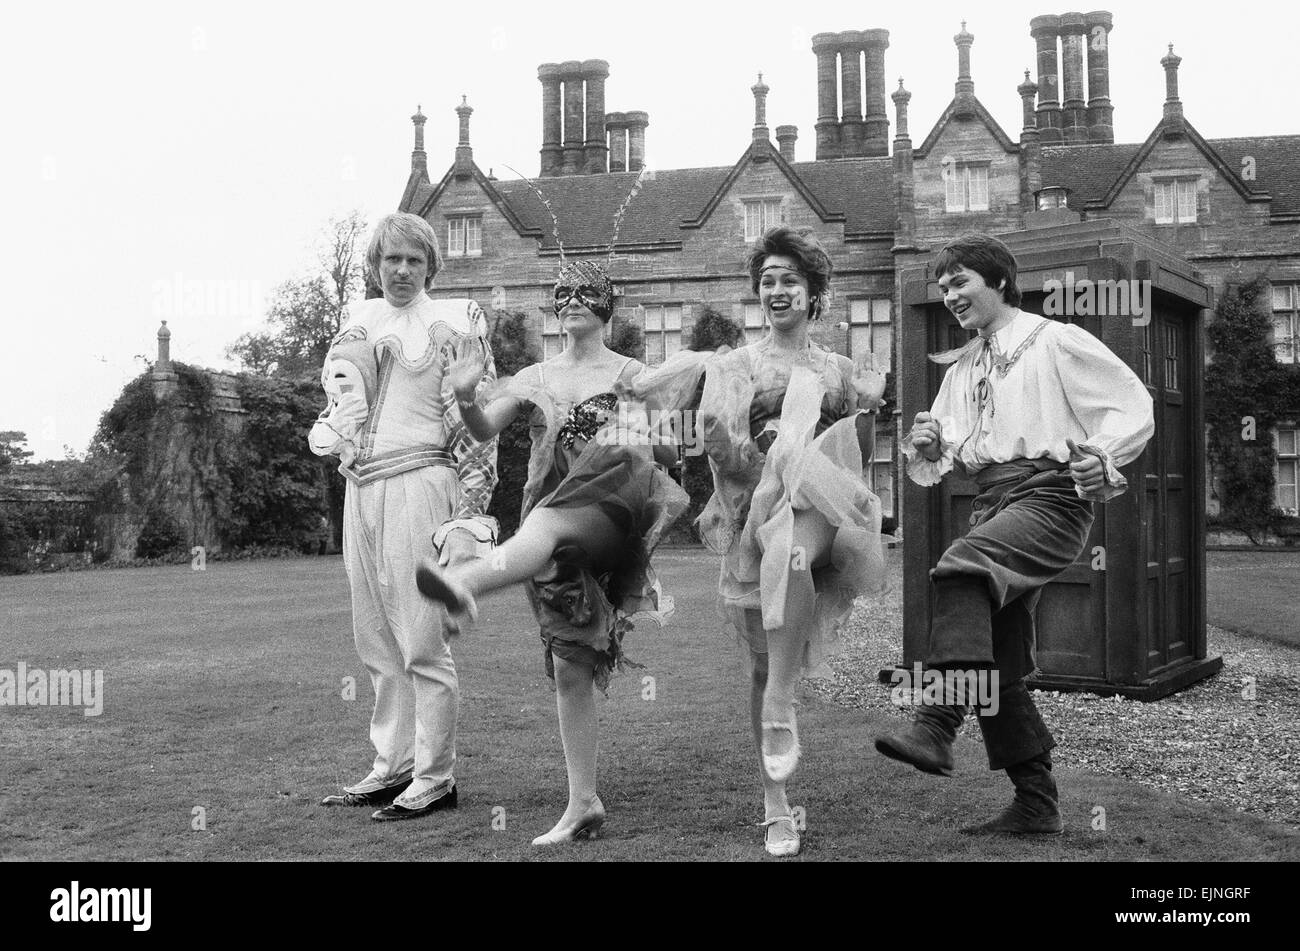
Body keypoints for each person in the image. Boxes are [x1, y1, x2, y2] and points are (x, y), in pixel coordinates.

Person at [872, 232, 1154, 834]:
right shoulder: (966, 363)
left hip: (1051, 498)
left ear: (999, 281)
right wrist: (929, 442)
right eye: (943, 287)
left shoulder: (1055, 340)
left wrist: (1098, 456)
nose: (949, 296)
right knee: (998, 666)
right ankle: (1036, 804)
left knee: (959, 568)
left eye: (960, 283)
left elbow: (1132, 407)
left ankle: (937, 720)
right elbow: (942, 447)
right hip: (994, 501)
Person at [627, 227, 887, 857]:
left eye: (789, 279)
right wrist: (751, 447)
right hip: (757, 516)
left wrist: (872, 412)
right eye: (767, 280)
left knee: (793, 546)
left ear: (813, 291)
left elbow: (863, 460)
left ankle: (781, 700)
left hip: (824, 513)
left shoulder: (841, 370)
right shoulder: (737, 366)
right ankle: (776, 807)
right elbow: (726, 458)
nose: (777, 290)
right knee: (763, 659)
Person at [415, 258, 688, 846]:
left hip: (613, 511)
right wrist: (464, 394)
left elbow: (670, 457)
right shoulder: (534, 377)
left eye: (585, 293)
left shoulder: (635, 373)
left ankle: (466, 582)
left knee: (544, 524)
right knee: (570, 665)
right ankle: (583, 800)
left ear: (607, 305)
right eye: (563, 293)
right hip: (551, 532)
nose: (572, 301)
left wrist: (631, 419)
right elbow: (481, 430)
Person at [308, 212, 498, 821]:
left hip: (421, 483)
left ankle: (435, 775)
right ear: (376, 263)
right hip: (360, 489)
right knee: (377, 641)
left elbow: (477, 425)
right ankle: (391, 765)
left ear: (430, 266)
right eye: (392, 259)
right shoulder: (359, 319)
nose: (402, 270)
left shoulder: (456, 321)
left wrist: (470, 510)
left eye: (414, 260)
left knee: (421, 639)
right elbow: (341, 409)